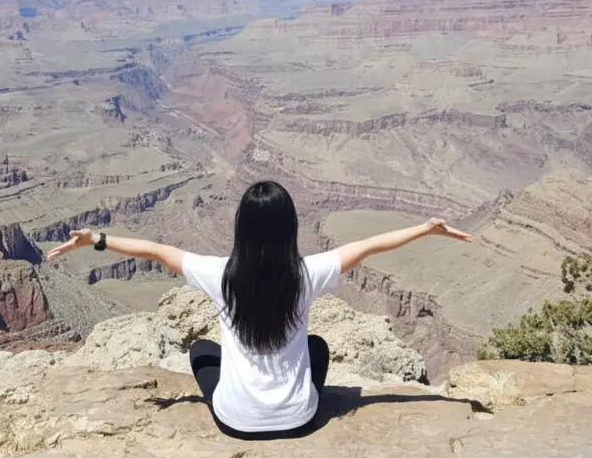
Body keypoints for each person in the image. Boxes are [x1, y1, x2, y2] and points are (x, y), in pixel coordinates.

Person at [45, 180, 473, 440]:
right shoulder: (306, 274)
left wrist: (97, 239)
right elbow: (368, 246)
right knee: (317, 348)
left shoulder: (219, 275)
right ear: (290, 227)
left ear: (241, 228)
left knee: (200, 351)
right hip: (301, 420)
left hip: (235, 422)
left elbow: (158, 252)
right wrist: (426, 229)